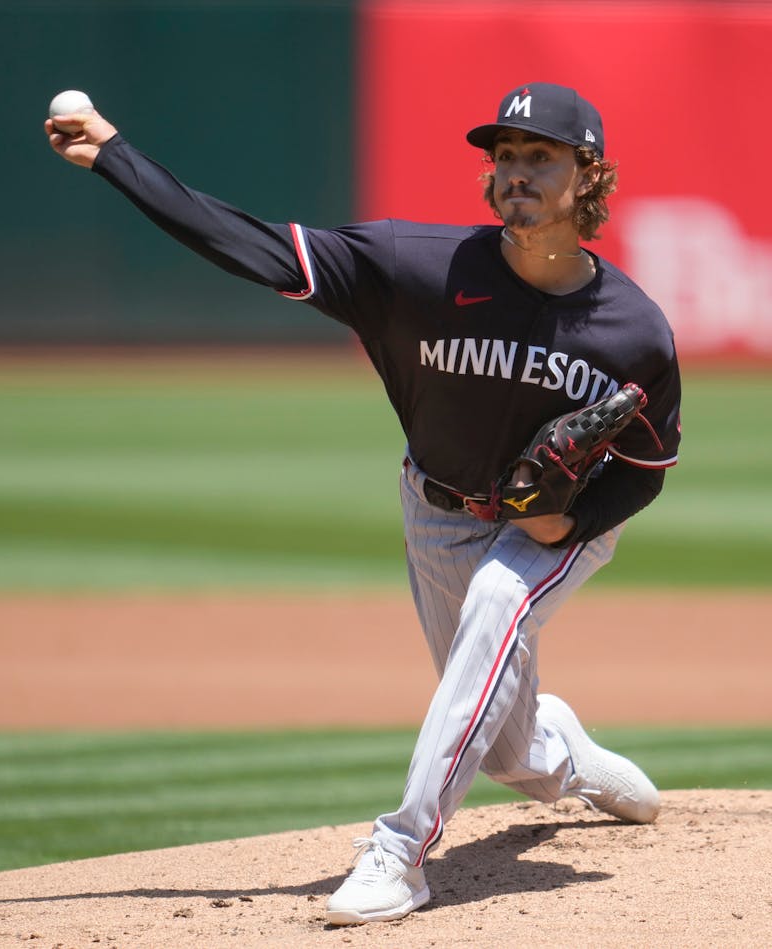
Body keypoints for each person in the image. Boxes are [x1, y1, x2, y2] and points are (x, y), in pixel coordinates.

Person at [46, 81, 682, 926]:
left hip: (553, 528)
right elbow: (252, 245)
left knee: (500, 599)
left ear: (588, 176)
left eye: (541, 157)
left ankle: (401, 853)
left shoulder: (634, 330)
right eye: (504, 156)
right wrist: (115, 157)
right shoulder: (411, 267)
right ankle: (559, 751)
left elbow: (644, 468)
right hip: (439, 509)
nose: (516, 171)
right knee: (504, 750)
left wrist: (569, 521)